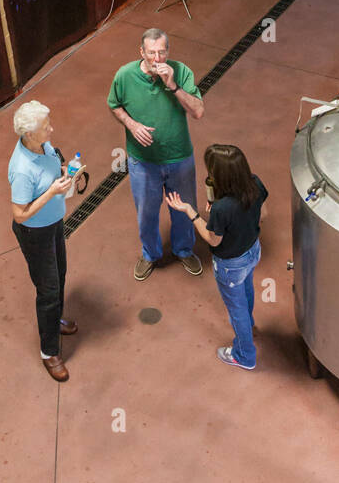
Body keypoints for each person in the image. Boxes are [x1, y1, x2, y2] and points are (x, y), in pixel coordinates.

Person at [108, 28, 205, 281]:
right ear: (141, 52)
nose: (157, 58)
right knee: (147, 212)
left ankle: (183, 249)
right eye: (151, 53)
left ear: (168, 52)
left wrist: (172, 85)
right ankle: (150, 254)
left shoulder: (181, 72)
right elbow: (114, 105)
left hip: (179, 157)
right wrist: (132, 125)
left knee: (184, 208)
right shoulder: (124, 76)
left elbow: (198, 112)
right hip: (143, 162)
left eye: (162, 52)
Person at [167, 143, 267, 370]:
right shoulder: (255, 184)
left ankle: (245, 355)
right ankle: (250, 327)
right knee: (247, 288)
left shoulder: (223, 209)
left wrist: (190, 212)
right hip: (253, 251)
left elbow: (213, 239)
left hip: (231, 265)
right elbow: (264, 214)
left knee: (236, 309)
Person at [8, 100, 81, 382]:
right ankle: (49, 351)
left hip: (53, 224)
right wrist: (52, 191)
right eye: (45, 127)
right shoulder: (22, 169)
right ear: (28, 134)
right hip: (34, 232)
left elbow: (53, 169)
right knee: (48, 289)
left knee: (60, 275)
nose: (52, 129)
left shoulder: (43, 147)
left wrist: (66, 176)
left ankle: (55, 320)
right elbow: (20, 214)